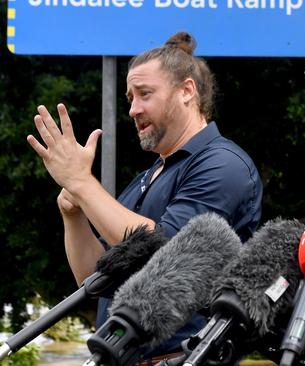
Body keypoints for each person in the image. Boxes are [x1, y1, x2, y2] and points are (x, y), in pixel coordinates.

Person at [27, 32, 263, 362]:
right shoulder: (146, 178)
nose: (133, 109)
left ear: (187, 91)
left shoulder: (223, 164)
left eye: (145, 94)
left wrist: (83, 182)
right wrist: (74, 214)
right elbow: (95, 280)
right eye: (129, 98)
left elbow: (169, 253)